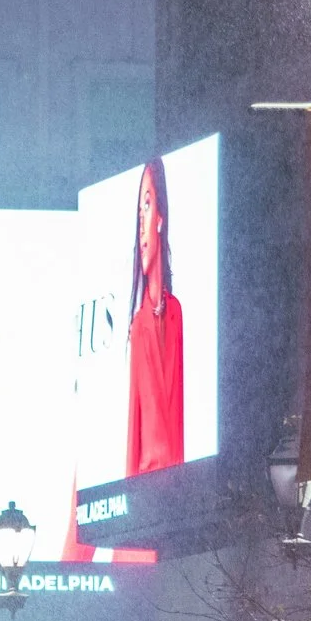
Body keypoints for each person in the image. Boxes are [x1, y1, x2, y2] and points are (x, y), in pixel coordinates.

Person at [124, 158, 184, 479]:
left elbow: (181, 416)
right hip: (147, 485)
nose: (142, 226)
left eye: (147, 206)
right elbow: (134, 429)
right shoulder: (139, 326)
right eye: (137, 214)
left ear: (160, 215)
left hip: (178, 485)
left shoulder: (176, 313)